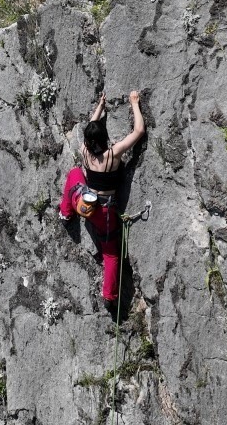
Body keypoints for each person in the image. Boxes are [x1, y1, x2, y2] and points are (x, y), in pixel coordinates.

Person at [58, 91, 145, 312]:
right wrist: (134, 103)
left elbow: (91, 124)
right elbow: (139, 131)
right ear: (104, 139)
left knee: (74, 173)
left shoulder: (85, 151)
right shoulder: (113, 155)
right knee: (111, 254)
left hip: (84, 204)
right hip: (104, 214)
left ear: (88, 141)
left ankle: (66, 212)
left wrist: (100, 106)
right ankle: (109, 295)